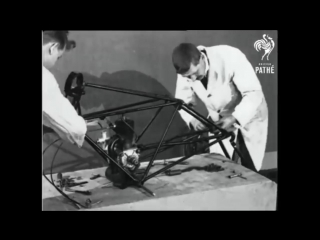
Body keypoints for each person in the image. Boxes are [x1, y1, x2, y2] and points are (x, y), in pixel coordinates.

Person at [173, 43, 268, 172]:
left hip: (249, 116)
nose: (193, 78)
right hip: (220, 119)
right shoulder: (185, 71)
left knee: (249, 168)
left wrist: (235, 118)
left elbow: (254, 94)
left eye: (195, 73)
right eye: (188, 77)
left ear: (201, 58)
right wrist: (193, 120)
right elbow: (182, 103)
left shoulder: (230, 56)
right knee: (224, 167)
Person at [42, 31, 87, 148]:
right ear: (53, 48)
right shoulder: (44, 78)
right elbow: (76, 129)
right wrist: (82, 124)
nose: (55, 62)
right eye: (58, 57)